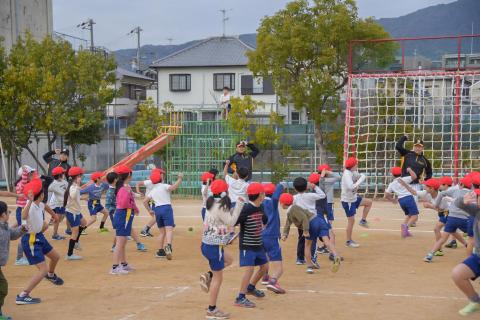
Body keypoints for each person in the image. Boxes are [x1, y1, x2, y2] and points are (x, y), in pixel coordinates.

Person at [199, 179, 245, 319]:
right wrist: (239, 205)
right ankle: (212, 310)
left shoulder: (210, 202)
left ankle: (209, 275)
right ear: (225, 192)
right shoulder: (219, 206)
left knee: (229, 260)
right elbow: (231, 221)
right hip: (214, 247)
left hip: (207, 245)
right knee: (218, 280)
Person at [16, 178, 63, 305]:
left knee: (56, 257)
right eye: (44, 193)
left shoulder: (39, 204)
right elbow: (23, 216)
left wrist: (54, 215)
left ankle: (51, 275)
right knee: (42, 270)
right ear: (41, 195)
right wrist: (30, 201)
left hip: (39, 237)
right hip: (31, 240)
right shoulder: (29, 206)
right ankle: (23, 295)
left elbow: (45, 206)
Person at [292, 177, 341, 273]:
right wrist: (314, 187)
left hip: (309, 222)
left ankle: (309, 266)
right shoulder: (311, 195)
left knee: (307, 245)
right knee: (326, 240)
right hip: (319, 219)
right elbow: (322, 195)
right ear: (306, 187)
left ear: (294, 188)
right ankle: (335, 255)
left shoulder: (294, 198)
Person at [234, 183, 268, 308]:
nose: (264, 195)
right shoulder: (246, 209)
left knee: (264, 267)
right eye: (263, 193)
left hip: (258, 244)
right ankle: (240, 297)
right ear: (260, 195)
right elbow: (235, 221)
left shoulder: (261, 206)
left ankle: (250, 287)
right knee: (249, 269)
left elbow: (264, 219)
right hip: (247, 245)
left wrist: (264, 222)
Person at [424, 177, 472, 262]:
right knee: (474, 237)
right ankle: (469, 251)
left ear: (461, 185)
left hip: (450, 216)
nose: (440, 186)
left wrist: (434, 205)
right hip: (463, 218)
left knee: (443, 235)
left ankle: (430, 254)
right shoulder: (472, 193)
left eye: (442, 184)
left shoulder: (454, 190)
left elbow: (442, 196)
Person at [451, 189, 480, 316]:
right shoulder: (477, 210)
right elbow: (458, 204)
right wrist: (463, 200)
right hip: (478, 255)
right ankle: (475, 301)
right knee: (458, 274)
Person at [143, 170, 183, 260]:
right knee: (169, 230)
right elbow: (173, 187)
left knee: (162, 232)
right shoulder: (164, 186)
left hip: (157, 210)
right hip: (166, 208)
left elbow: (144, 201)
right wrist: (180, 179)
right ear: (160, 178)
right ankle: (168, 246)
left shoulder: (153, 190)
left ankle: (160, 251)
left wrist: (150, 210)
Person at [107, 172, 146, 253]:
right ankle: (115, 246)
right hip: (119, 212)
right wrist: (111, 211)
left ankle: (138, 244)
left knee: (128, 228)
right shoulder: (113, 190)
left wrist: (138, 196)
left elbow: (131, 195)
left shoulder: (124, 186)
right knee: (120, 230)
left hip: (124, 211)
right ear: (115, 180)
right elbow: (109, 204)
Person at [0, 201, 27, 318]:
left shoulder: (4, 226)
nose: (9, 214)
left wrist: (22, 229)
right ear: (2, 215)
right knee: (2, 287)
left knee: (2, 287)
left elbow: (12, 234)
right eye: (8, 212)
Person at [111, 165, 138, 275]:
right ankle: (115, 267)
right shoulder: (122, 188)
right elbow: (123, 203)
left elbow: (130, 201)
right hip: (123, 216)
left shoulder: (125, 187)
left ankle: (124, 264)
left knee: (123, 241)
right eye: (130, 174)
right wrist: (132, 206)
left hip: (125, 215)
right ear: (127, 175)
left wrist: (135, 208)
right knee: (120, 242)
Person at [260, 183, 286, 294]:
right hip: (272, 236)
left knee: (265, 258)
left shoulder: (259, 203)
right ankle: (273, 281)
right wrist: (280, 185)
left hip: (261, 235)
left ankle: (265, 277)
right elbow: (275, 197)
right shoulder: (272, 203)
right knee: (279, 268)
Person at [341, 157, 372, 247]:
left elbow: (359, 176)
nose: (357, 165)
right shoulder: (347, 174)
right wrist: (361, 179)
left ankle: (363, 220)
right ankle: (348, 241)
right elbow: (351, 187)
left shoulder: (352, 172)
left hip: (353, 198)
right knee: (351, 221)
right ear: (353, 166)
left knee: (369, 202)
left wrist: (361, 176)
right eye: (356, 164)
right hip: (348, 201)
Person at [384, 167, 418, 237]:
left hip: (401, 200)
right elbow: (414, 176)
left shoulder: (392, 184)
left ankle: (404, 230)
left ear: (393, 175)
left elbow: (386, 195)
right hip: (408, 198)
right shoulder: (404, 179)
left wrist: (392, 200)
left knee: (409, 215)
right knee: (415, 216)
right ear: (401, 173)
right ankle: (406, 228)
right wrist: (410, 170)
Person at [64, 166, 88, 260]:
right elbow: (73, 195)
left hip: (76, 211)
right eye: (80, 175)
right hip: (72, 212)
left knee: (84, 223)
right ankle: (69, 254)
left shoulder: (73, 186)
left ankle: (76, 242)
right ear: (77, 176)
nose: (81, 177)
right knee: (74, 232)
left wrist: (82, 198)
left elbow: (74, 197)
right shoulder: (73, 187)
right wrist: (78, 185)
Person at [14, 165, 36, 266]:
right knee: (24, 234)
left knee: (26, 232)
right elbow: (24, 177)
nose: (31, 174)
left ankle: (24, 256)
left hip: (24, 210)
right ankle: (19, 258)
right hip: (22, 211)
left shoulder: (25, 184)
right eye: (30, 173)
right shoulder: (22, 184)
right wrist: (25, 170)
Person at [138, 168, 165, 238]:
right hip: (150, 201)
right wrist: (138, 191)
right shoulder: (149, 182)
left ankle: (146, 229)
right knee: (156, 216)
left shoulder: (160, 182)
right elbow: (138, 183)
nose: (162, 175)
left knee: (157, 216)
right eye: (161, 174)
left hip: (155, 201)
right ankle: (144, 230)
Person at [48, 167, 68, 241]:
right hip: (58, 204)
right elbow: (47, 189)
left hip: (64, 203)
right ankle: (54, 234)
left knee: (61, 218)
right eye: (62, 173)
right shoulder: (53, 184)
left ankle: (53, 220)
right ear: (59, 175)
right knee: (58, 219)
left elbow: (68, 189)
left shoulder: (64, 182)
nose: (64, 174)